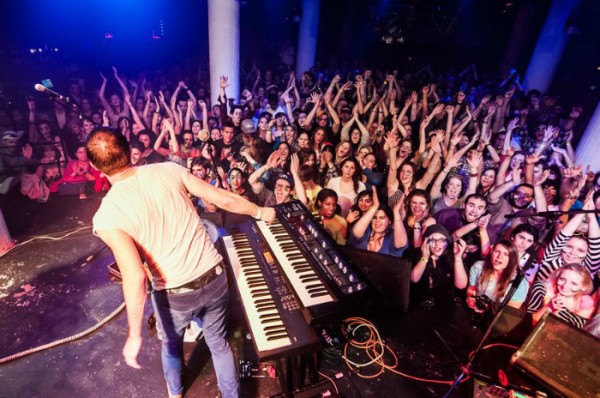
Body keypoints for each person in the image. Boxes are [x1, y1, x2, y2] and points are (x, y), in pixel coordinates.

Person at [87, 128, 275, 398]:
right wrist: (259, 211)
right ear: (129, 150)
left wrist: (134, 335)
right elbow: (220, 197)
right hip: (214, 275)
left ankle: (175, 394)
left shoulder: (107, 214)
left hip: (174, 294)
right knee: (219, 344)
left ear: (94, 166)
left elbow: (135, 276)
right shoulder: (168, 170)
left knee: (172, 346)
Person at [466, 240, 529, 313]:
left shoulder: (519, 283)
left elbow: (508, 314)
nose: (499, 256)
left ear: (512, 259)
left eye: (506, 254)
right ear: (491, 252)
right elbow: (471, 288)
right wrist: (471, 299)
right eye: (497, 251)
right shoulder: (478, 267)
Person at [526, 264, 594, 329]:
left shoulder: (585, 302)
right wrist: (548, 307)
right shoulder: (541, 288)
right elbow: (528, 321)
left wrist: (561, 310)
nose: (565, 286)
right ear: (557, 277)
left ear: (584, 287)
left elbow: (575, 331)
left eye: (573, 283)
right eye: (562, 279)